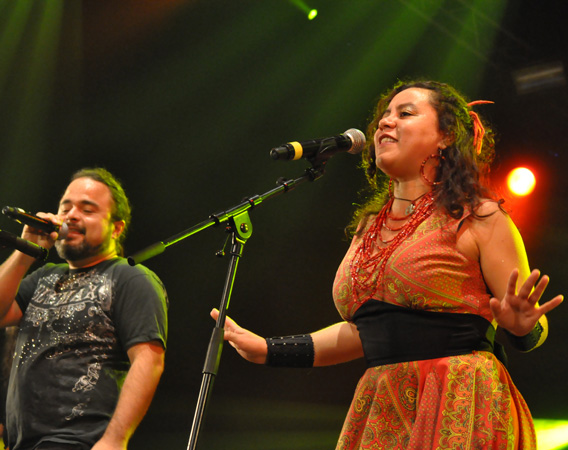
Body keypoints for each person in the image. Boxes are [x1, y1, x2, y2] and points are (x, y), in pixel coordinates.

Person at [210, 80, 564, 449]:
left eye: (405, 113)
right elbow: (366, 333)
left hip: (460, 398)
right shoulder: (368, 226)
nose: (384, 123)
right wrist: (268, 349)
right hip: (384, 403)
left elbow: (530, 323)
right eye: (384, 116)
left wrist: (522, 327)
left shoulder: (480, 217)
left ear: (445, 136)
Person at [0, 168, 168, 450]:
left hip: (79, 442)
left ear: (116, 228)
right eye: (66, 207)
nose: (71, 215)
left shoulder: (131, 278)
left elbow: (149, 361)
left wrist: (115, 440)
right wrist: (26, 251)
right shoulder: (44, 277)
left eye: (87, 209)